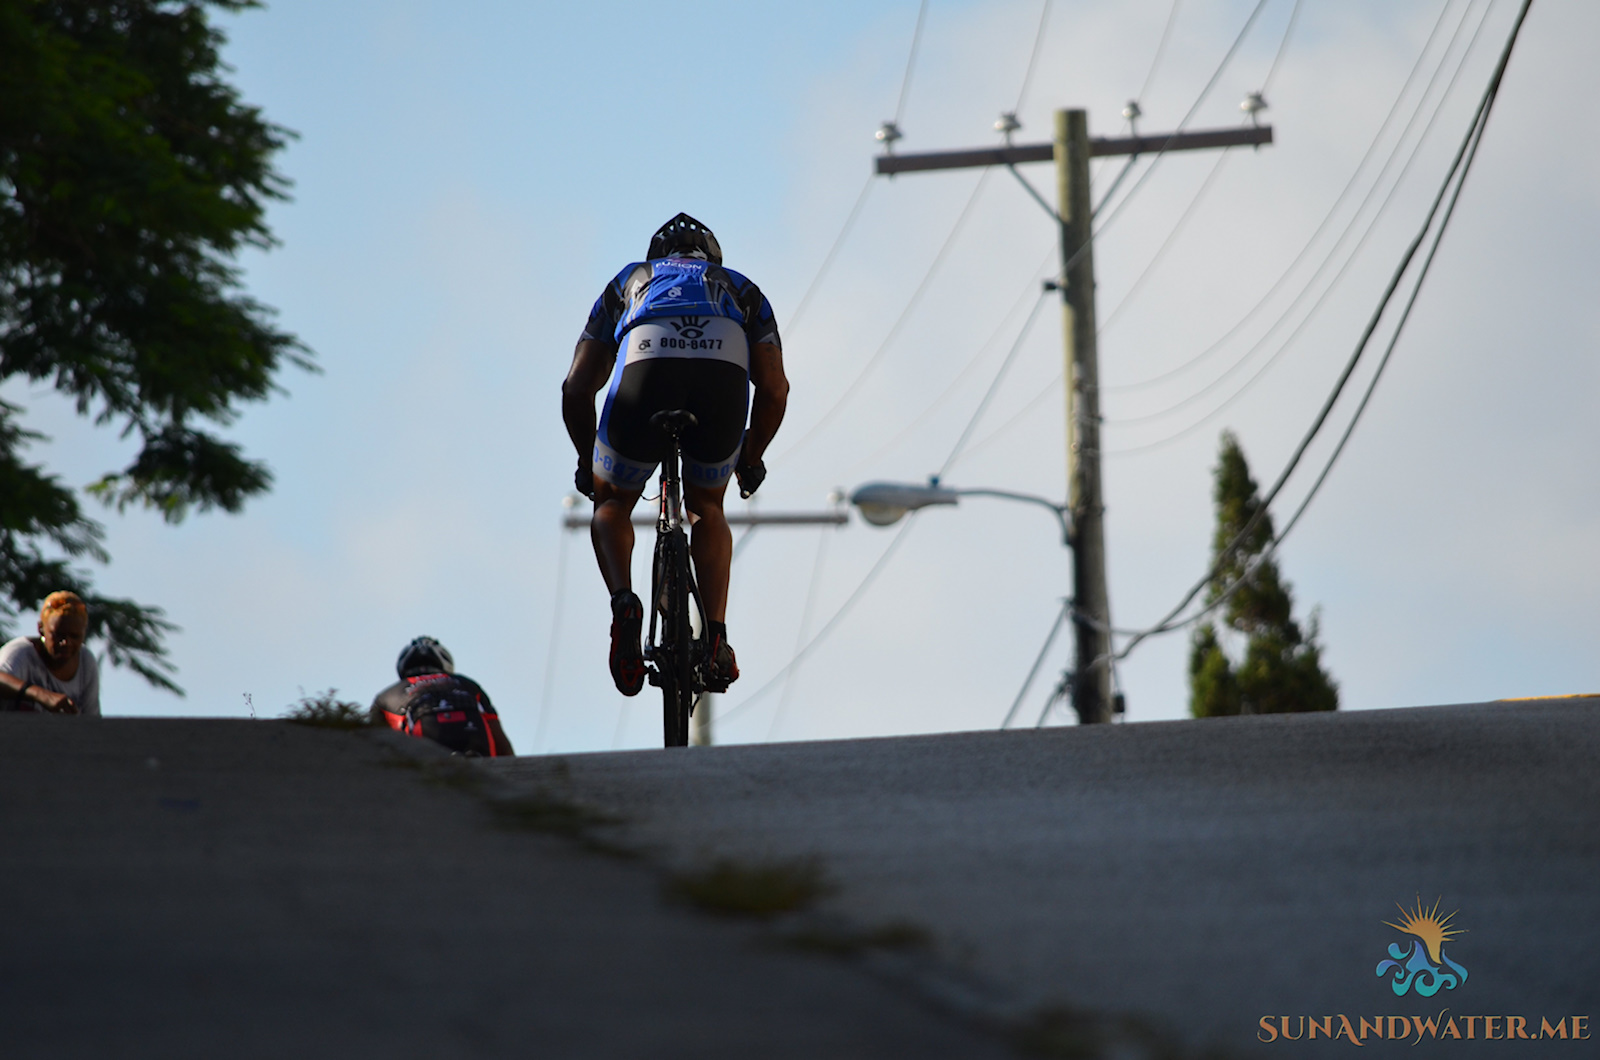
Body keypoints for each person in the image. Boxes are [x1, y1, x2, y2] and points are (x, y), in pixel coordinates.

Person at [561, 213, 789, 697]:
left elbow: (576, 387)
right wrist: (751, 458)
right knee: (707, 507)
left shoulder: (631, 280)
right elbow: (774, 390)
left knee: (612, 503)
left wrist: (587, 462)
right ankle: (717, 638)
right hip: (722, 372)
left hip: (646, 364)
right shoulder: (741, 287)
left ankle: (624, 603)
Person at [371, 636, 514, 757]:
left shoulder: (386, 696)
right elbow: (500, 740)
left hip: (426, 762)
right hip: (478, 754)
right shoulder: (468, 684)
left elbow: (372, 744)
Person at [0, 591, 101, 715]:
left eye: (75, 636)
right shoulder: (21, 653)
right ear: (41, 628)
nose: (66, 643)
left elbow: (92, 721)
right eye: (58, 635)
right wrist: (43, 696)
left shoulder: (86, 662)